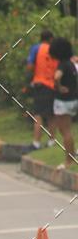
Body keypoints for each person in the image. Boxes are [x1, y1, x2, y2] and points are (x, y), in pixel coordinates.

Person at [48, 36, 77, 171]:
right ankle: (73, 152)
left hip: (63, 101)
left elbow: (56, 77)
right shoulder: (71, 63)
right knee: (65, 130)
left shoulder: (62, 64)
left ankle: (68, 160)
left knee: (65, 131)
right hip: (72, 99)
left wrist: (59, 87)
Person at [26, 30, 57, 150]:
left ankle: (36, 142)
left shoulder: (36, 48)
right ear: (50, 39)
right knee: (51, 115)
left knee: (38, 115)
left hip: (39, 84)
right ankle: (52, 140)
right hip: (52, 85)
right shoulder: (55, 50)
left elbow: (29, 66)